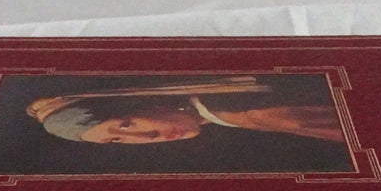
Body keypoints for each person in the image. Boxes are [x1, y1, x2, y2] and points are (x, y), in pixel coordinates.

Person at [27, 75, 346, 144]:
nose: (148, 137)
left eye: (126, 123)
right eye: (118, 140)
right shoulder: (223, 115)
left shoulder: (249, 111)